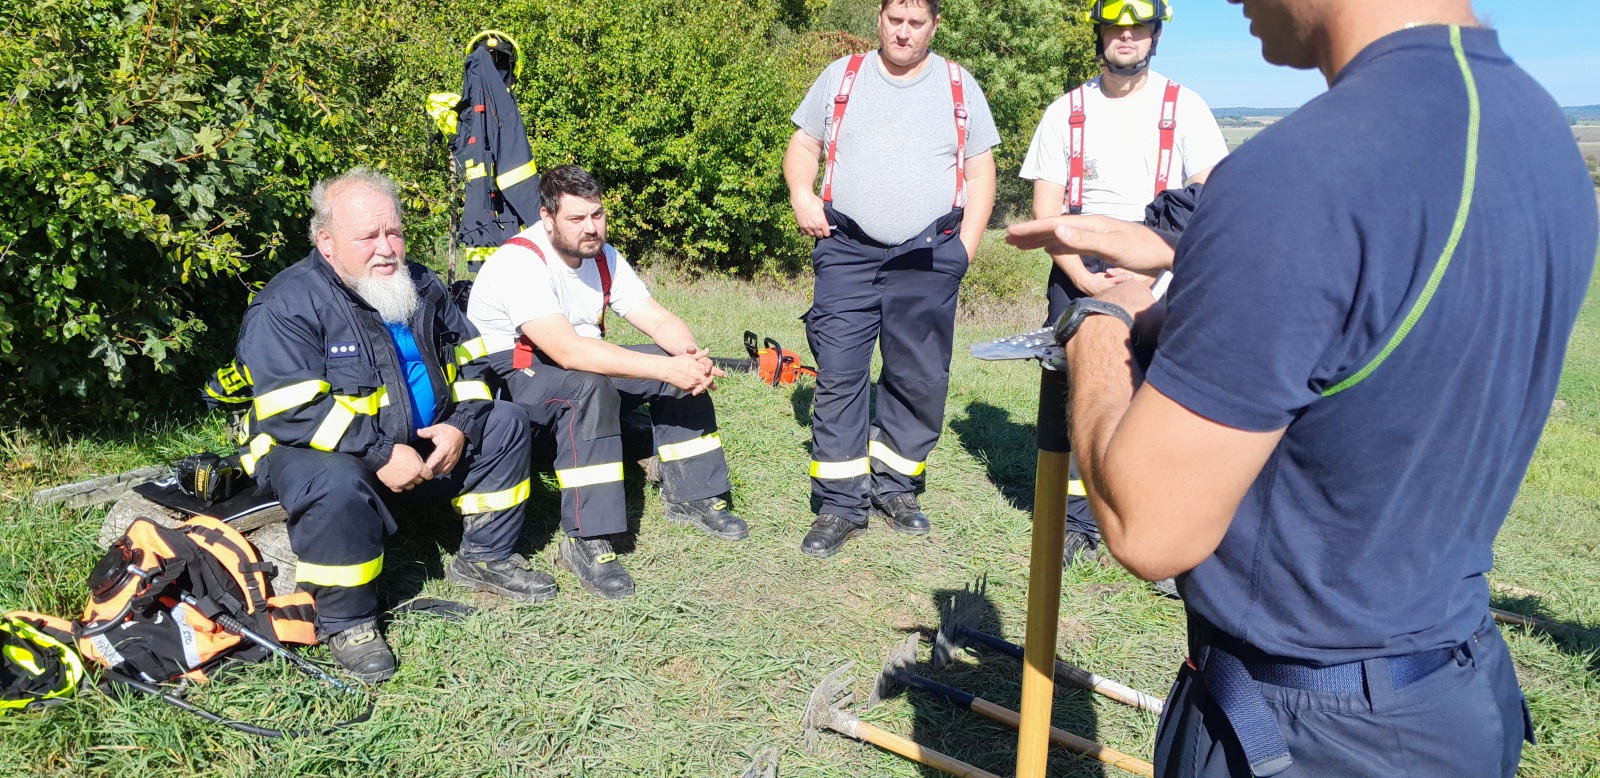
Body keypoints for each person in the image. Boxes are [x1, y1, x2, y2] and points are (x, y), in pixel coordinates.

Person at [1010, 0, 1598, 774]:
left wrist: (1098, 322)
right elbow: (1382, 327)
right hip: (1456, 696)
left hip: (1301, 728)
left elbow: (1148, 528)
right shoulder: (1537, 128)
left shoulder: (1298, 170)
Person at [232, 168, 551, 684]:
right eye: (368, 237)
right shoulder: (286, 303)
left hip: (423, 447)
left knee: (507, 421)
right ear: (328, 243)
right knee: (332, 479)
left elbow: (471, 360)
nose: (386, 248)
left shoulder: (422, 283)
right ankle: (348, 620)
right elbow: (294, 412)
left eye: (394, 232)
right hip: (316, 451)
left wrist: (462, 426)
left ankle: (486, 556)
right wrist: (381, 453)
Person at [466, 165, 746, 601]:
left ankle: (693, 495)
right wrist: (665, 368)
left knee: (670, 365)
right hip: (516, 369)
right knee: (588, 390)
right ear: (547, 217)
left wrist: (688, 356)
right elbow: (566, 352)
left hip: (580, 355)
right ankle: (587, 540)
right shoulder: (520, 261)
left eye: (597, 215)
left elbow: (655, 317)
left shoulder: (605, 257)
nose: (590, 228)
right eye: (576, 219)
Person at [782, 0, 999, 558]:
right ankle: (840, 505)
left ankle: (897, 488)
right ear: (879, 18)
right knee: (839, 373)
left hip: (930, 253)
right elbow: (804, 145)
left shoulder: (958, 84)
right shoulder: (842, 76)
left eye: (916, 23)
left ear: (934, 26)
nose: (903, 32)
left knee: (918, 377)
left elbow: (981, 172)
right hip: (846, 249)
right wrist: (802, 193)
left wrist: (964, 253)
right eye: (894, 20)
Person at [1018, 0, 1227, 567]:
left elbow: (1208, 199)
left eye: (1138, 28)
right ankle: (1073, 519)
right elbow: (1047, 212)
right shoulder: (1067, 112)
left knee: (1163, 394)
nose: (1127, 36)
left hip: (1161, 267)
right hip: (1077, 266)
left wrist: (1148, 268)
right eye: (1117, 27)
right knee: (1072, 388)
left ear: (1155, 36)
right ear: (1101, 34)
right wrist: (1086, 279)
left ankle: (1153, 516)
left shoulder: (1185, 108)